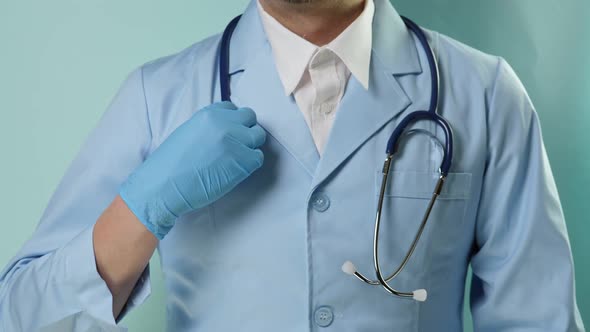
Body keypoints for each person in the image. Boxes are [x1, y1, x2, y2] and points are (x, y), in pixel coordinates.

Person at [0, 0, 585, 330]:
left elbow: (538, 320)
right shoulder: (160, 97)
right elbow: (23, 316)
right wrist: (143, 205)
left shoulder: (483, 95)